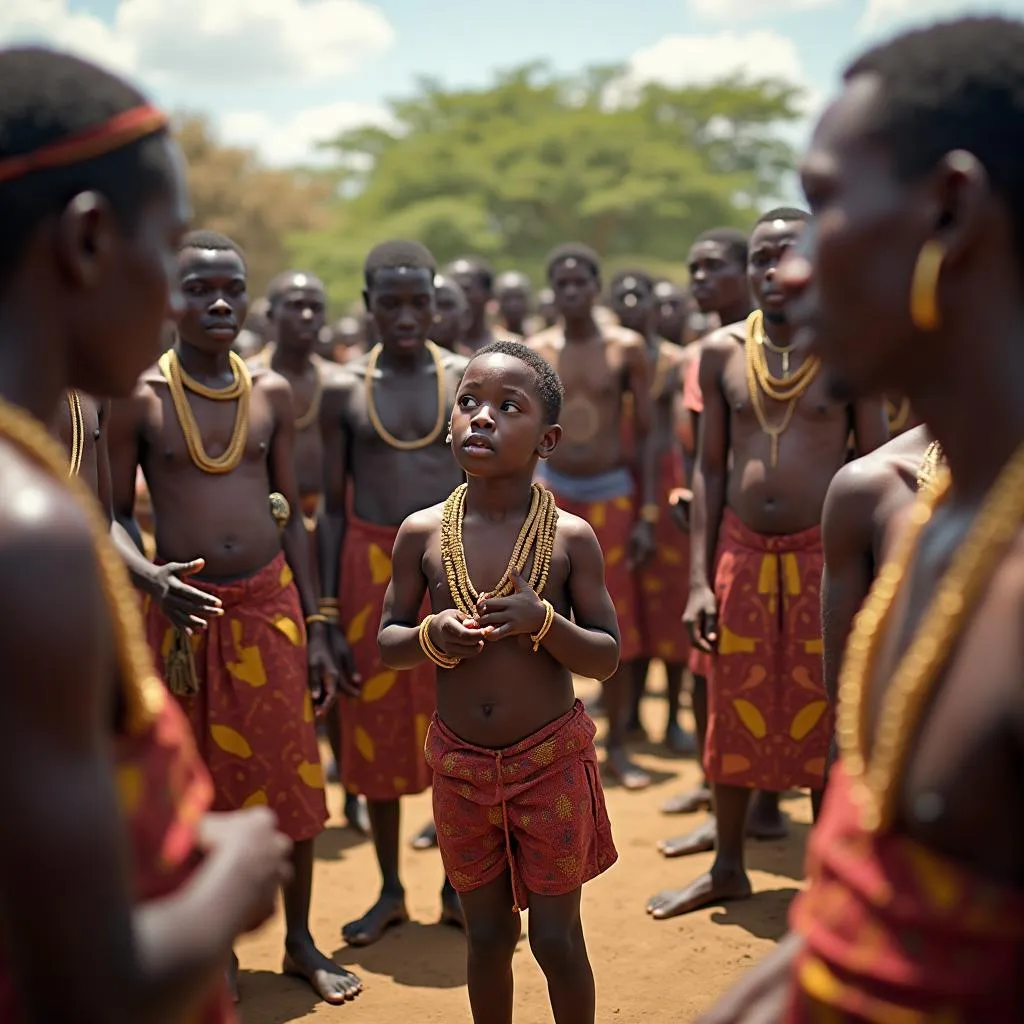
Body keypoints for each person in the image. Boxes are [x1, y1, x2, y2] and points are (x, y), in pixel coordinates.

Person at [700, 16, 1024, 1021]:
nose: (789, 273)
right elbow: (851, 923)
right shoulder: (920, 511)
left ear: (948, 213)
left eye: (825, 207)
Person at [0, 46, 295, 1023]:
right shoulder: (29, 534)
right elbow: (89, 986)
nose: (179, 299)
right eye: (170, 251)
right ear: (87, 244)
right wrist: (234, 875)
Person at [108, 230, 361, 1006]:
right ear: (170, 299)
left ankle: (299, 939)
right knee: (199, 785)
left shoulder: (272, 394)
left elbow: (293, 516)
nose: (219, 303)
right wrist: (152, 579)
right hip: (182, 621)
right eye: (199, 289)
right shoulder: (139, 396)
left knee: (292, 774)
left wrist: (317, 622)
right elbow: (112, 512)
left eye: (232, 288)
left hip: (269, 605)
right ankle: (218, 951)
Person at [647, 208, 888, 918]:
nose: (772, 270)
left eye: (789, 254)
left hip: (828, 556)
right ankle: (728, 865)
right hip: (740, 553)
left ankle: (827, 875)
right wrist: (699, 579)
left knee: (824, 708)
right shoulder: (720, 353)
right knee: (730, 703)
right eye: (760, 257)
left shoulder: (851, 350)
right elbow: (710, 470)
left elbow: (874, 465)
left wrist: (873, 571)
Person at [379, 339, 618, 1024]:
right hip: (459, 766)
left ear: (547, 439)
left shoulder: (571, 538)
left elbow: (604, 656)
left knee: (555, 937)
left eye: (505, 408)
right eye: (468, 403)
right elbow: (389, 643)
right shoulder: (421, 533)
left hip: (549, 765)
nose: (480, 418)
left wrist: (543, 622)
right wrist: (432, 635)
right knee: (485, 934)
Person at [319, 239, 469, 944]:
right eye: (392, 303)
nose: (407, 315)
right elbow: (330, 506)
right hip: (365, 565)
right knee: (372, 727)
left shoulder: (465, 378)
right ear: (369, 305)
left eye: (420, 301)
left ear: (436, 302)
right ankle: (388, 889)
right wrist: (324, 615)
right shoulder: (343, 390)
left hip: (454, 562)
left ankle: (456, 883)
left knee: (461, 723)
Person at [528, 243, 657, 790]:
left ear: (596, 288)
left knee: (614, 617)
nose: (572, 292)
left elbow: (648, 438)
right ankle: (543, 743)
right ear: (553, 290)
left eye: (581, 282)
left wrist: (647, 510)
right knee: (540, 618)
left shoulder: (626, 349)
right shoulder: (537, 351)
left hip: (612, 493)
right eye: (563, 283)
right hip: (552, 493)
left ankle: (620, 744)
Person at [661, 227, 754, 819]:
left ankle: (761, 802)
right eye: (692, 267)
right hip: (716, 517)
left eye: (712, 267)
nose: (698, 279)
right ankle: (715, 780)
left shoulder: (777, 346)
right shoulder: (706, 352)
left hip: (758, 528)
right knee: (710, 659)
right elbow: (703, 453)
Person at [607, 269, 695, 753]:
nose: (636, 304)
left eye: (644, 297)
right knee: (630, 601)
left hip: (664, 481)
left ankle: (674, 718)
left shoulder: (679, 361)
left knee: (671, 601)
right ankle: (633, 713)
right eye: (623, 295)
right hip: (620, 480)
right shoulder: (609, 355)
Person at [447, 255, 497, 351]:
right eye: (451, 289)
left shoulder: (509, 350)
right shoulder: (432, 351)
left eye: (464, 288)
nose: (455, 296)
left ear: (488, 294)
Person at [430, 272, 473, 354]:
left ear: (466, 315)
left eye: (446, 306)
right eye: (430, 305)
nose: (437, 316)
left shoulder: (476, 363)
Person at [493, 269, 532, 336]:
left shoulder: (540, 340)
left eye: (519, 297)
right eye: (507, 298)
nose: (513, 304)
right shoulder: (490, 340)